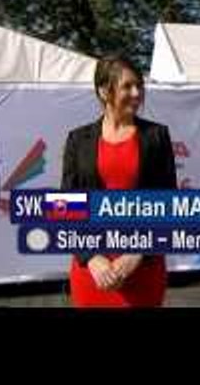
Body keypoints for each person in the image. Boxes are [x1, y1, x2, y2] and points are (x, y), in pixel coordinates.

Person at [61, 54, 177, 307]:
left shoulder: (156, 136)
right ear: (104, 90)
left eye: (139, 85)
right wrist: (92, 258)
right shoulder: (78, 140)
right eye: (127, 86)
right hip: (93, 271)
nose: (137, 93)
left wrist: (137, 253)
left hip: (143, 266)